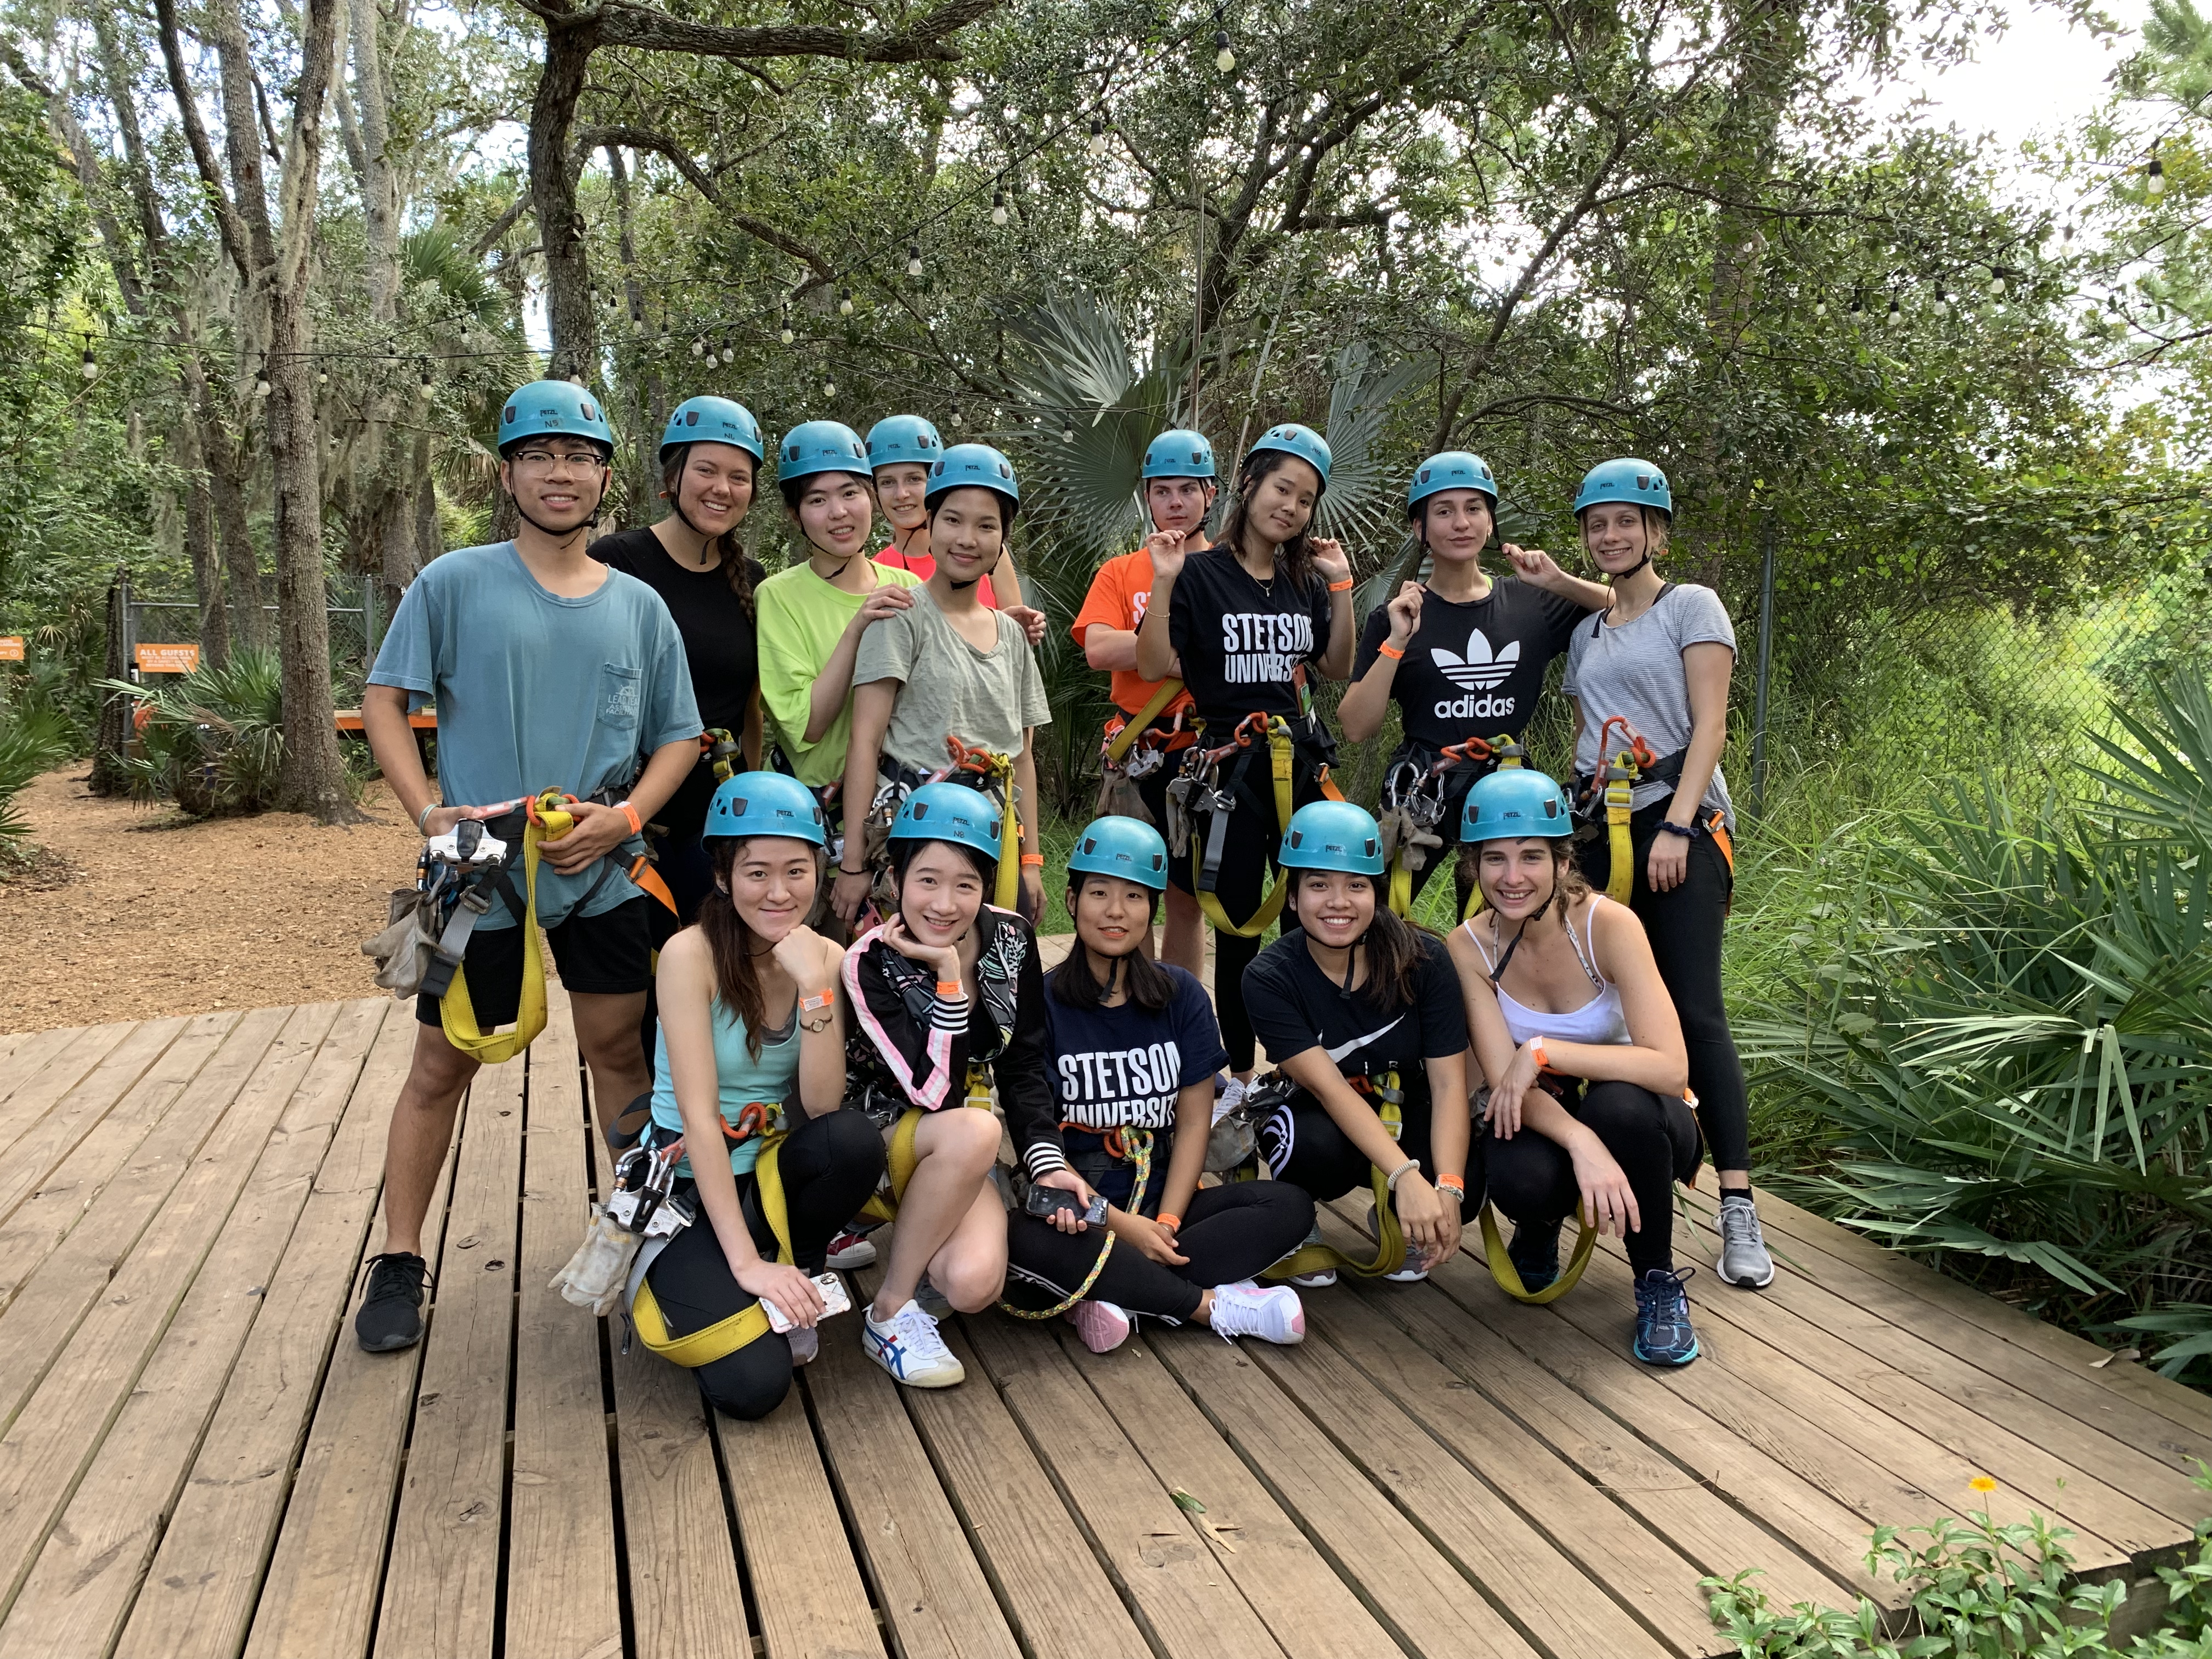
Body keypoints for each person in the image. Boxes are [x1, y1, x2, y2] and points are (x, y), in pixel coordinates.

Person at [354, 380, 702, 1353]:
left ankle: (647, 1233)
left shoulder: (638, 606)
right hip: (477, 868)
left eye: (581, 457)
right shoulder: (454, 582)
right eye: (540, 456)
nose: (562, 473)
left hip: (602, 863)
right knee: (440, 1063)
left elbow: (681, 735)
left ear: (605, 478)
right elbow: (386, 699)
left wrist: (626, 813)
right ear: (507, 472)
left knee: (619, 1050)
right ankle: (399, 1257)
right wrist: (429, 815)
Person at [1562, 458, 1771, 1289]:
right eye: (1597, 524)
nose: (1611, 536)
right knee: (1592, 1001)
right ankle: (1604, 1167)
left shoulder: (1693, 606)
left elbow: (1712, 725)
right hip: (1597, 825)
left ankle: (1737, 1202)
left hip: (1676, 819)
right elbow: (1589, 725)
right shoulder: (1587, 631)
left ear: (1656, 531)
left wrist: (1680, 823)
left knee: (1693, 1008)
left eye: (1626, 522)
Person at [625, 773, 886, 1418]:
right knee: (754, 1387)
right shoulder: (690, 956)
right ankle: (749, 1271)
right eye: (757, 873)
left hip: (769, 1172)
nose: (778, 892)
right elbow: (697, 1117)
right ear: (722, 876)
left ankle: (791, 1259)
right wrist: (744, 1265)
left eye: (797, 871)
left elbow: (824, 1106)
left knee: (852, 1141)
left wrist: (816, 991)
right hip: (689, 1179)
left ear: (821, 873)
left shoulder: (824, 955)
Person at [1002, 817, 1313, 1352]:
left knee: (1290, 1207)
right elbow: (1040, 1135)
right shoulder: (1041, 1003)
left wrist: (1164, 1221)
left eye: (1134, 896)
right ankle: (1209, 1307)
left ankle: (1118, 1294)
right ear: (1072, 900)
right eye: (1099, 893)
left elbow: (1193, 1120)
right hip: (1083, 1204)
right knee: (1022, 1235)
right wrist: (1123, 1227)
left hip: (1169, 1197)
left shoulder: (1182, 995)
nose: (1116, 911)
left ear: (1153, 910)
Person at [1443, 768, 1704, 1365]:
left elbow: (1669, 1068)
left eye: (1532, 857)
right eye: (1495, 860)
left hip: (1647, 1114)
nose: (1512, 878)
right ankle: (1539, 1221)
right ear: (1474, 867)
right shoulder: (1469, 947)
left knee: (1619, 1107)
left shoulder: (1608, 926)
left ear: (1563, 863)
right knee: (1517, 1169)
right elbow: (1500, 1077)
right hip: (1552, 1110)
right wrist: (1579, 1139)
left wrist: (1542, 1052)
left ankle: (1657, 1283)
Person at [1135, 424, 1356, 1115]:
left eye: (1305, 498)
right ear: (1249, 486)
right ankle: (1233, 1071)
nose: (1290, 507)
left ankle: (1311, 1062)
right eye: (1281, 488)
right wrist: (1166, 583)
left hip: (1298, 762)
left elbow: (1336, 667)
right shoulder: (1200, 574)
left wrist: (1342, 587)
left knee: (1310, 917)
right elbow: (1148, 665)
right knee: (1236, 925)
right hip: (1229, 769)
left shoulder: (1302, 580)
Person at [1336, 452, 1609, 913]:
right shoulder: (1399, 615)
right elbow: (1355, 726)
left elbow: (1631, 606)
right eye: (1444, 511)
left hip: (1506, 783)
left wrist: (1559, 581)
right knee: (1380, 920)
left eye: (1474, 509)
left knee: (1506, 925)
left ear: (1489, 522)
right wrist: (1397, 641)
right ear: (1419, 529)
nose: (1461, 523)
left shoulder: (1532, 604)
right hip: (1425, 785)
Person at [841, 784, 1042, 1386]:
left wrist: (1045, 1158)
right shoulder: (869, 962)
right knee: (978, 1129)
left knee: (973, 1283)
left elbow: (1028, 1061)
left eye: (966, 884)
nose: (945, 904)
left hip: (958, 1145)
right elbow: (929, 1091)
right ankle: (890, 1311)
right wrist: (950, 980)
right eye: (927, 880)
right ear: (896, 877)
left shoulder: (1012, 941)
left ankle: (921, 1238)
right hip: (874, 1142)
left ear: (987, 885)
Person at [834, 444, 1050, 929]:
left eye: (987, 526)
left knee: (987, 979)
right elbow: (865, 742)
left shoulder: (1012, 635)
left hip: (994, 841)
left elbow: (1021, 758)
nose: (967, 539)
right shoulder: (900, 617)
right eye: (953, 520)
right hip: (916, 840)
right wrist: (853, 863)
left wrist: (1031, 862)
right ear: (930, 524)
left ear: (1003, 540)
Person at [589, 396, 768, 928]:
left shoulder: (754, 583)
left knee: (715, 984)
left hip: (715, 825)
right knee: (633, 999)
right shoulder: (615, 563)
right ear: (674, 475)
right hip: (626, 820)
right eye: (707, 470)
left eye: (739, 477)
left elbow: (751, 712)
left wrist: (751, 803)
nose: (722, 488)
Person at [1070, 427, 1213, 973]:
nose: (1175, 503)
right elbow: (1099, 648)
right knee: (1132, 893)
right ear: (1147, 497)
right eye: (1162, 491)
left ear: (1211, 496)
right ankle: (1137, 1009)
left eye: (1187, 491)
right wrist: (1180, 655)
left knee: (1186, 898)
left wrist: (1152, 652)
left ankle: (1181, 1015)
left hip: (1204, 751)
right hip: (1138, 747)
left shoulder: (1232, 569)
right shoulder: (1121, 570)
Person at [754, 420, 922, 815]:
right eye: (817, 501)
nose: (839, 512)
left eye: (851, 493)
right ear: (796, 517)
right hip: (806, 807)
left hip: (892, 802)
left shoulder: (909, 586)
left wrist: (993, 625)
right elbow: (809, 727)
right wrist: (857, 628)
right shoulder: (779, 597)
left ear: (870, 497)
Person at [867, 414, 1044, 648]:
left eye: (914, 479)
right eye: (888, 482)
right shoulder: (875, 572)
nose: (901, 494)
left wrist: (1013, 627)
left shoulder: (987, 554)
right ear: (876, 491)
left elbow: (1016, 639)